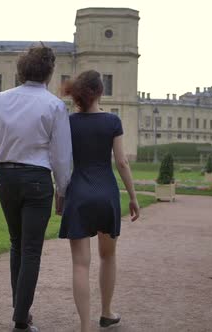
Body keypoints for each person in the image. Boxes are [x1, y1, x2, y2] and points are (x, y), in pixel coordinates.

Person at [0, 44, 72, 332]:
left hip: (7, 179)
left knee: (17, 245)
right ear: (49, 73)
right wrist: (62, 191)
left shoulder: (1, 100)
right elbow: (61, 156)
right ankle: (20, 317)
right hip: (38, 180)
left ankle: (21, 312)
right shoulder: (54, 105)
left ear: (20, 71)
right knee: (30, 250)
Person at [58, 70, 140, 332]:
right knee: (108, 256)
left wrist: (60, 195)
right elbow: (122, 162)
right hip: (106, 193)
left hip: (79, 193)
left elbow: (61, 163)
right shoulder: (113, 121)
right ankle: (106, 313)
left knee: (80, 264)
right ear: (100, 92)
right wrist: (133, 197)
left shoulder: (69, 123)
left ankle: (85, 326)